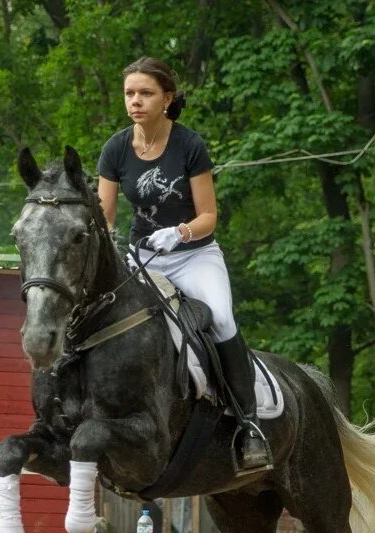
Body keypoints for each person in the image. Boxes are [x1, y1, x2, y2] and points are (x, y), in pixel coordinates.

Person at [96, 56, 268, 470]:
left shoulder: (189, 144)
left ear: (166, 98)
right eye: (130, 93)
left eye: (145, 93)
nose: (135, 101)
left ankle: (249, 426)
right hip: (143, 257)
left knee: (223, 319)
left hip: (194, 255)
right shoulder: (116, 148)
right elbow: (104, 218)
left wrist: (181, 232)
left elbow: (209, 215)